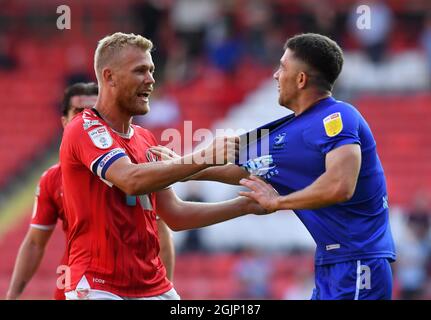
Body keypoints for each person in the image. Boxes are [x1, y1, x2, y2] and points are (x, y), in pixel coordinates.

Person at [153, 33, 397, 300]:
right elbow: (243, 170)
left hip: (360, 262)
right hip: (331, 264)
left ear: (301, 79)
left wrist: (279, 202)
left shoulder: (339, 116)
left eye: (282, 67)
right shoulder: (286, 130)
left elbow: (341, 186)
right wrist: (178, 167)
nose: (275, 75)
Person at [60, 32, 268, 300]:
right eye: (140, 71)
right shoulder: (84, 128)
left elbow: (175, 215)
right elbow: (130, 179)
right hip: (98, 285)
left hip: (152, 285)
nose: (150, 79)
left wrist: (245, 206)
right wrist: (203, 157)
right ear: (109, 77)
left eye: (152, 70)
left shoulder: (145, 139)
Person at [5, 83, 174, 299]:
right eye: (78, 112)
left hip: (138, 279)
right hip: (84, 280)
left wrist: (162, 287)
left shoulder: (132, 170)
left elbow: (162, 231)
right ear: (64, 121)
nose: (87, 118)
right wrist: (12, 295)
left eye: (94, 111)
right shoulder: (52, 180)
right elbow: (35, 242)